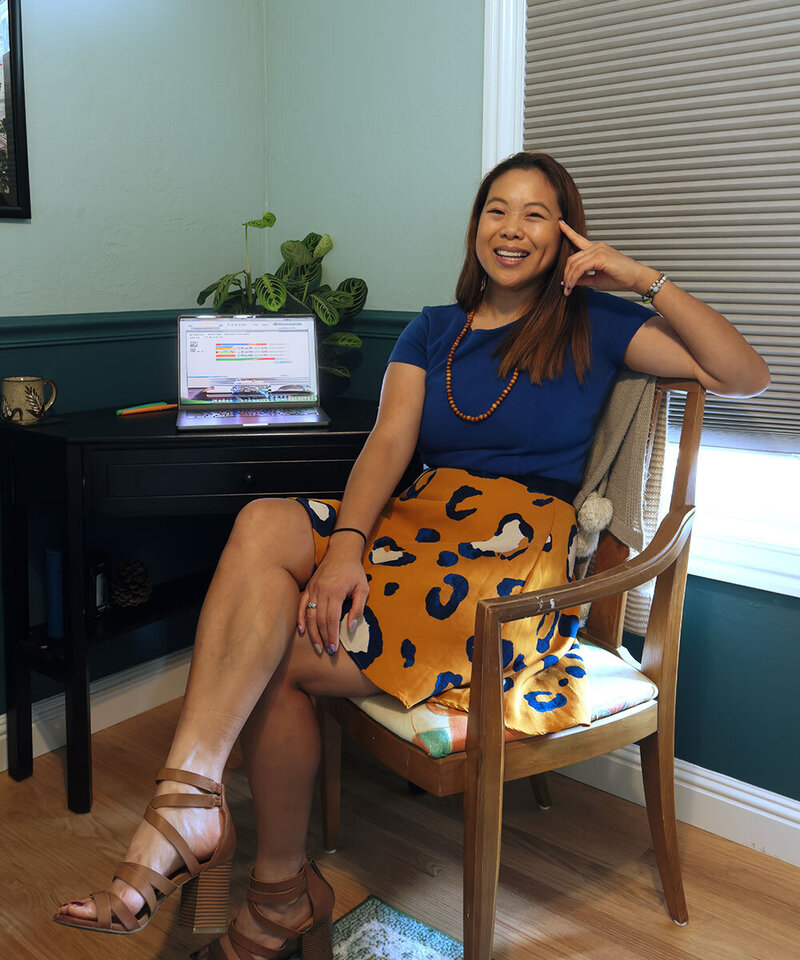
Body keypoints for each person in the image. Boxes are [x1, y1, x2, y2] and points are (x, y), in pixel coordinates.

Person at [54, 153, 769, 958]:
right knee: (261, 521)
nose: (512, 229)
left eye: (536, 214)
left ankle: (268, 890)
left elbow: (744, 372)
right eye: (496, 209)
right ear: (475, 227)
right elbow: (389, 443)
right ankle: (201, 814)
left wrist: (641, 277)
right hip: (413, 524)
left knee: (281, 653)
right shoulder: (433, 327)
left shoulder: (598, 325)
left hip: (507, 558)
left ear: (566, 235)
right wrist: (346, 549)